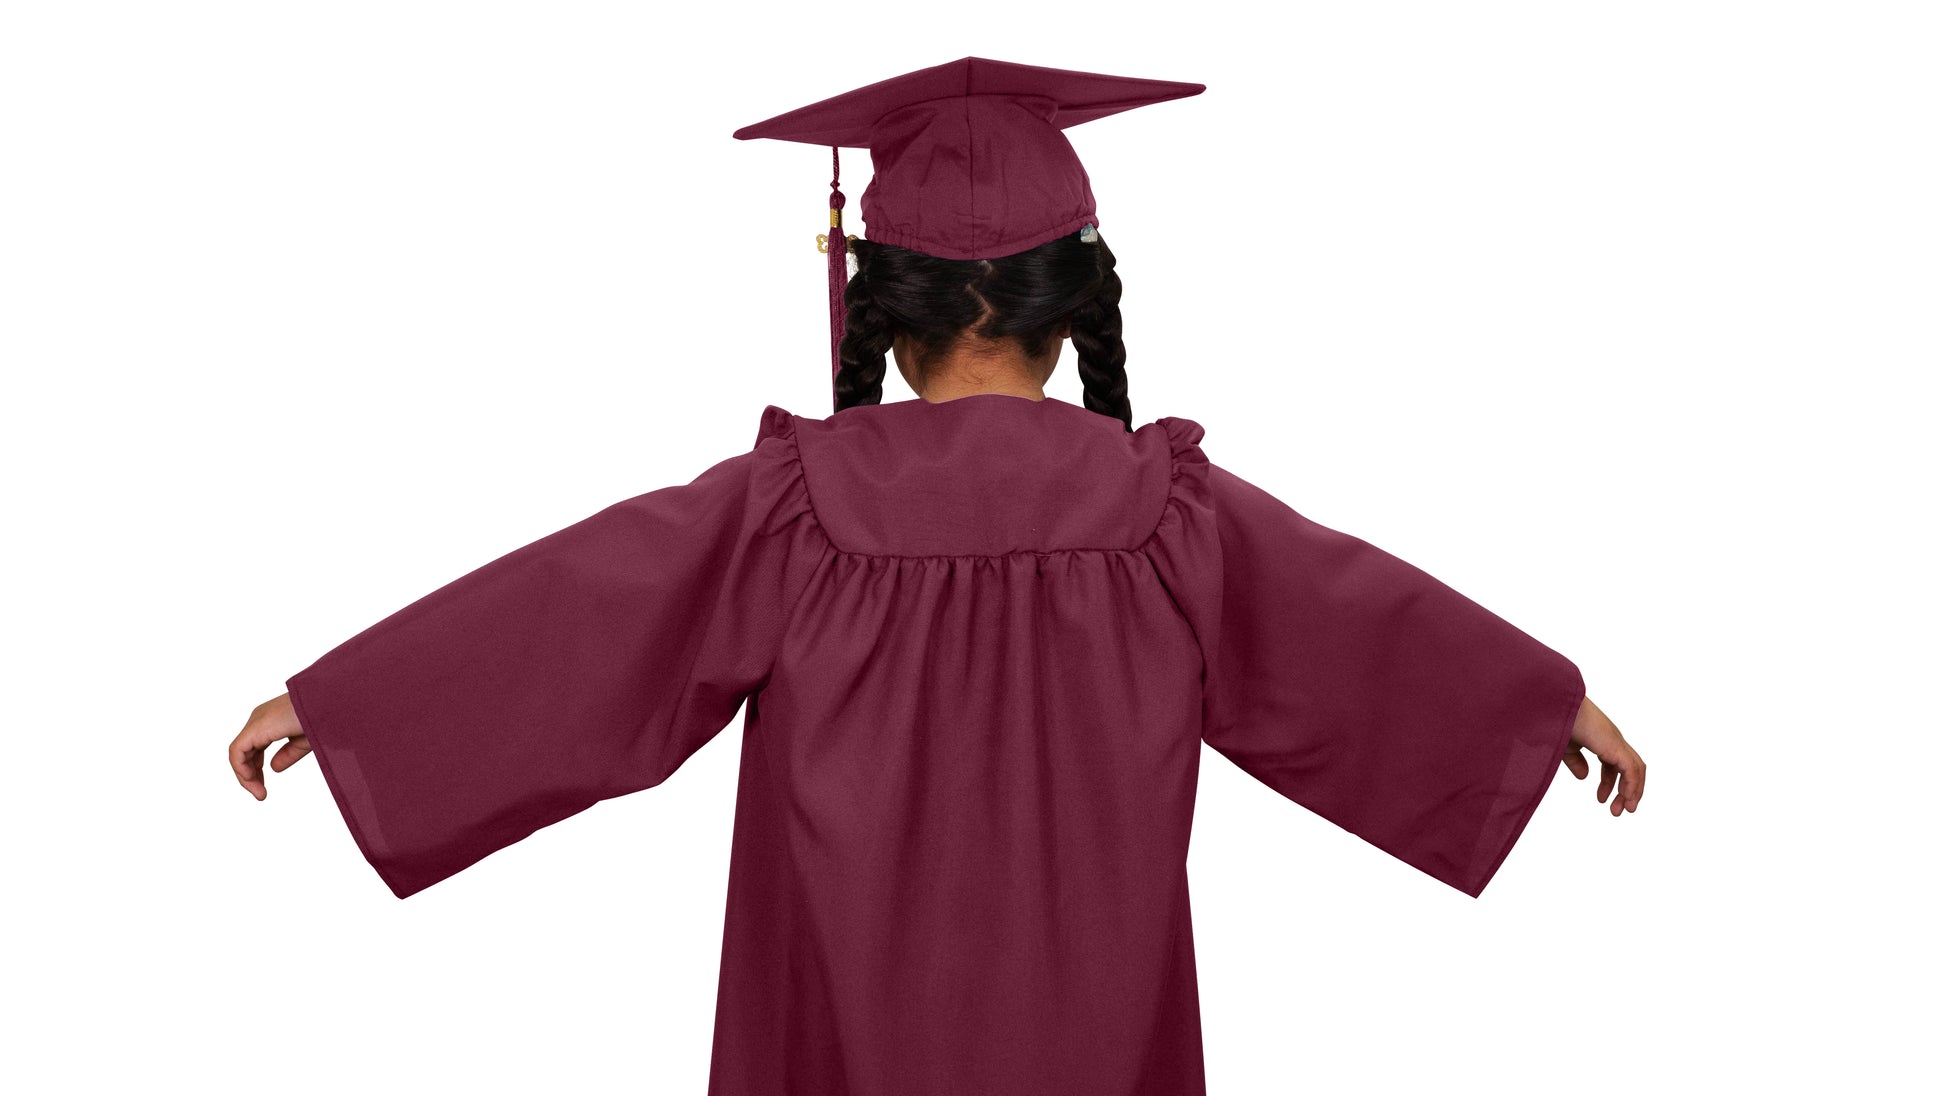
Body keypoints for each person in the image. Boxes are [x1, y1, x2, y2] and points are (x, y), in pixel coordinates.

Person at [228, 56, 1644, 1095]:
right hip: (1092, 1028)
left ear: (879, 315)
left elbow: (580, 616)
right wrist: (1537, 708)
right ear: (1071, 315)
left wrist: (350, 707)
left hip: (837, 1030)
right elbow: (1355, 622)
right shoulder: (1164, 512)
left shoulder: (793, 507)